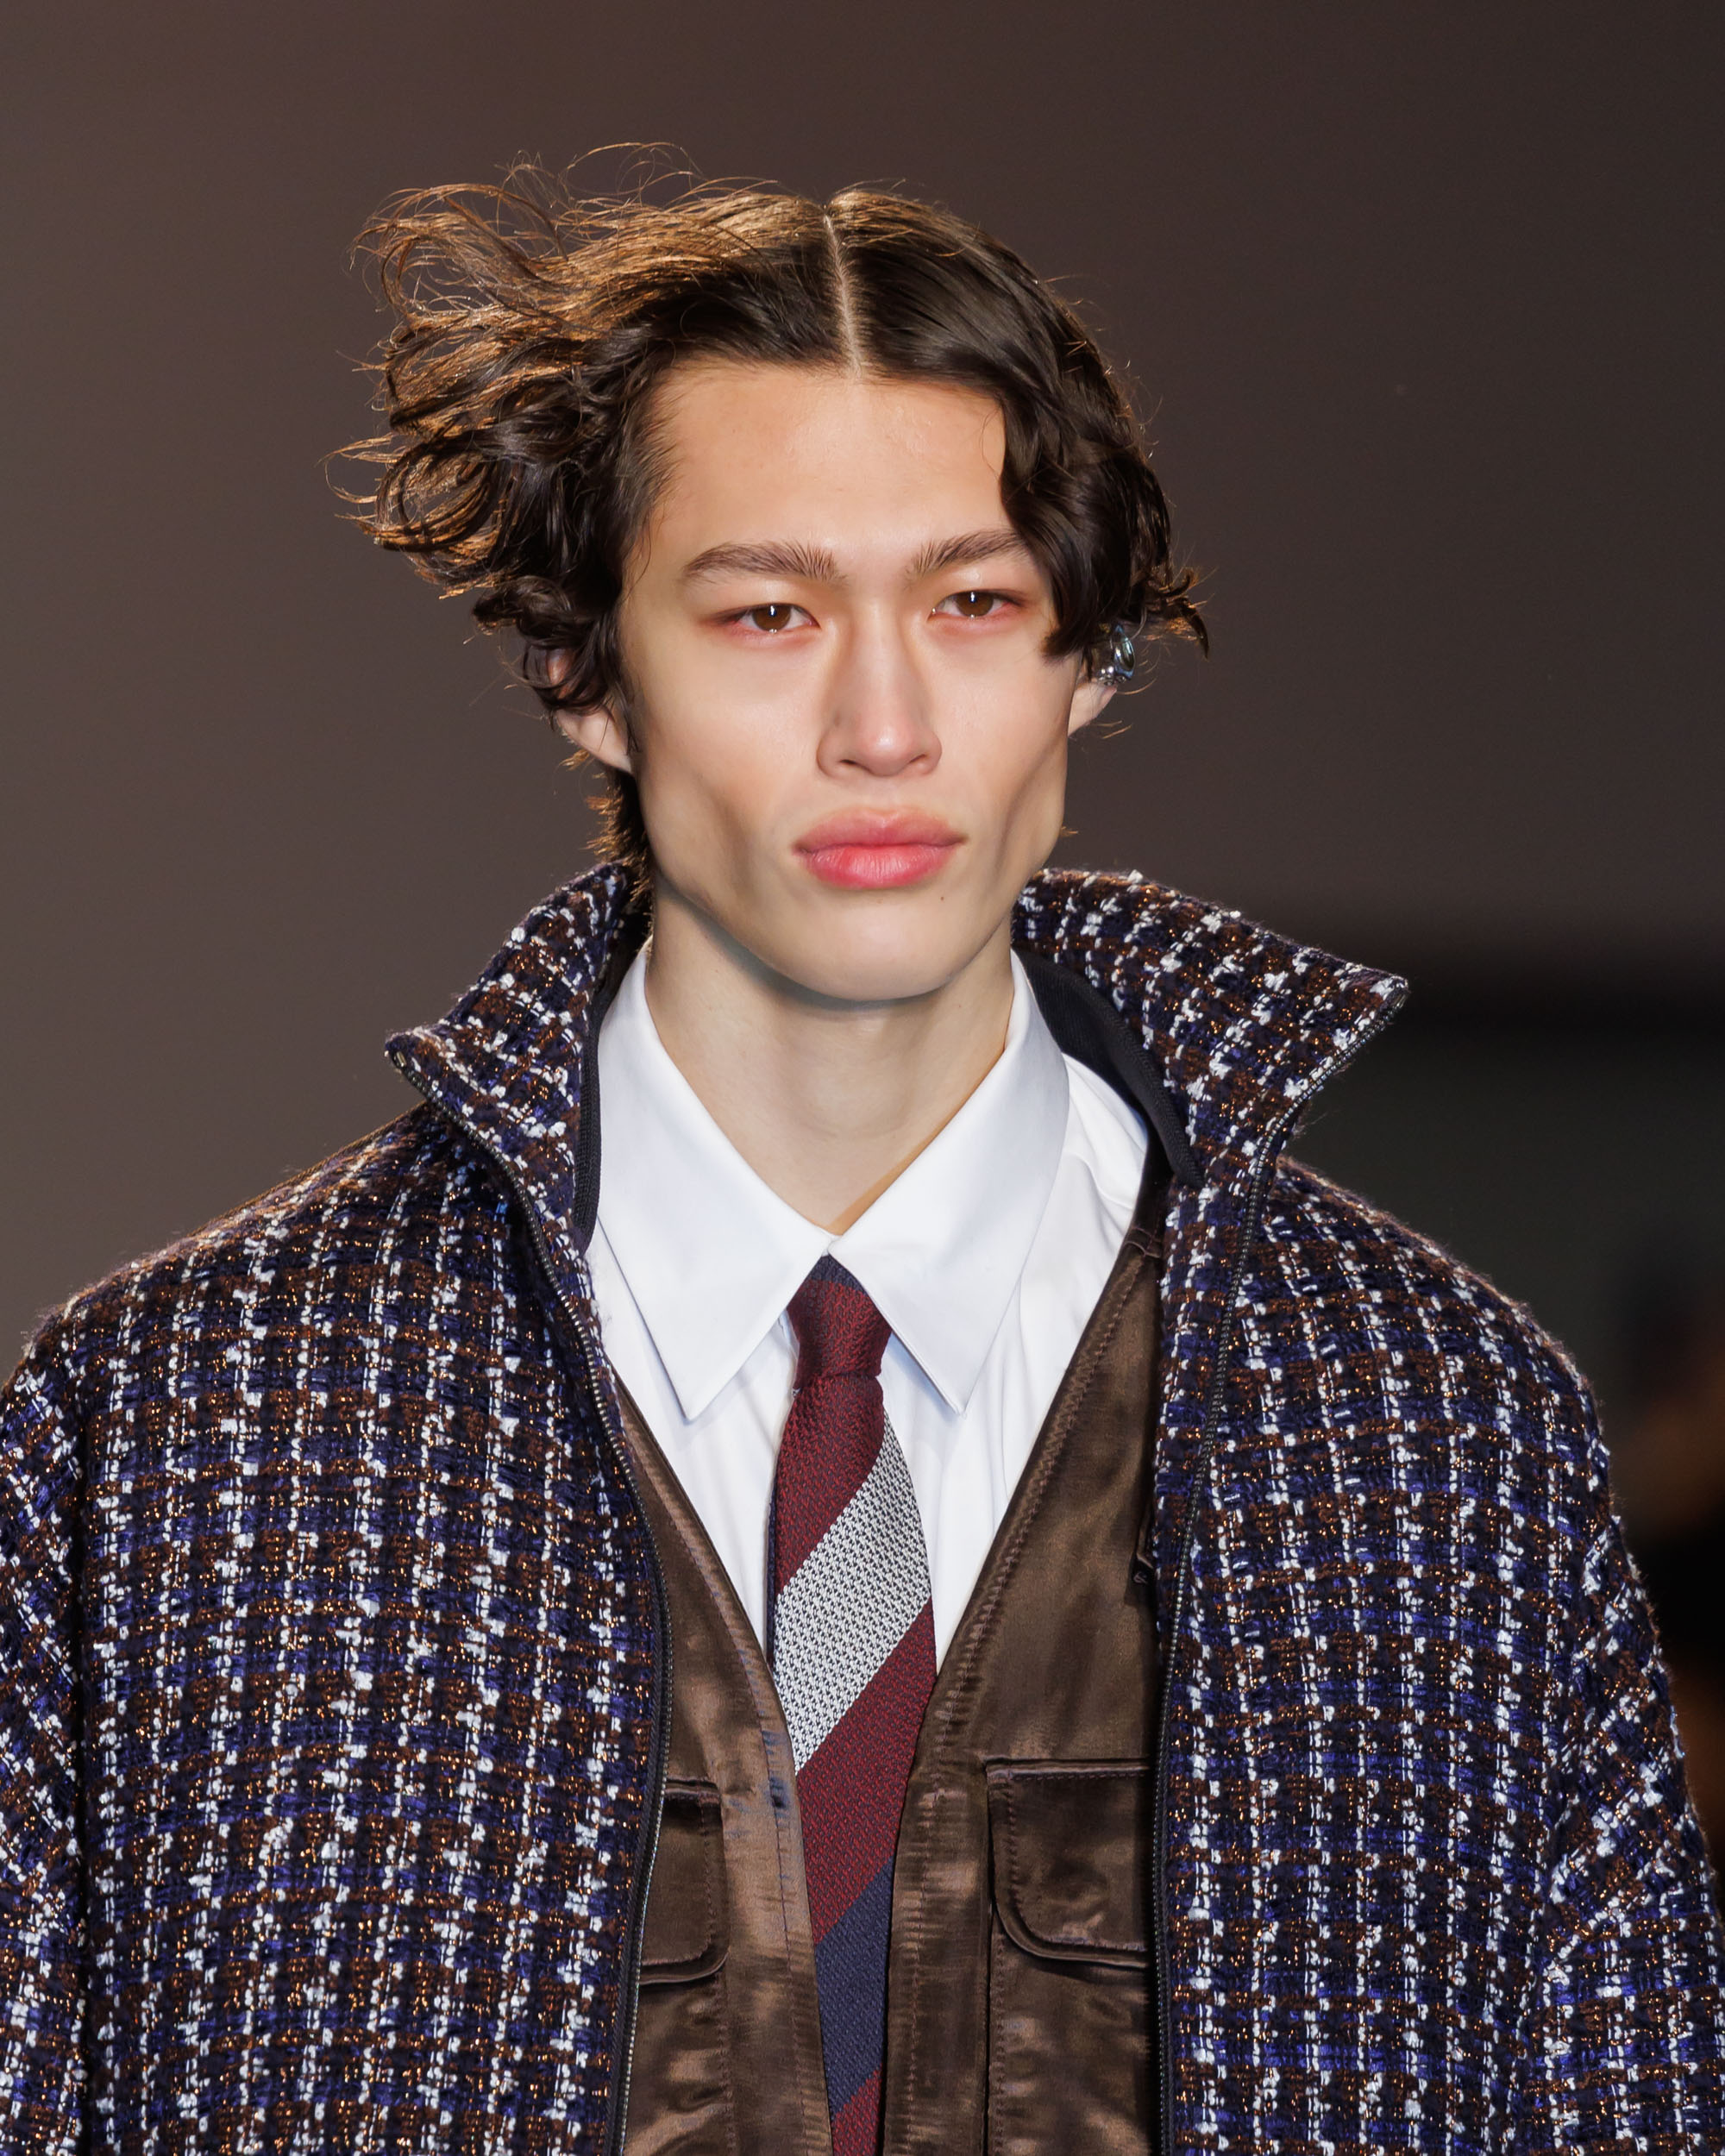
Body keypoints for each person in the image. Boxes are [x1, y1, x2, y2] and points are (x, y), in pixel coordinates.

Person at [1, 170, 1719, 2155]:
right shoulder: (195, 1426)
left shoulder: (1430, 1434)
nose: (883, 724)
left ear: (1086, 655)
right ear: (585, 668)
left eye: (971, 602)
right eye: (769, 612)